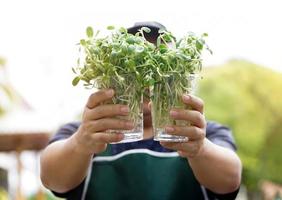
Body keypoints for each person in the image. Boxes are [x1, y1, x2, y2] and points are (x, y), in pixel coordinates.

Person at [40, 22, 242, 200]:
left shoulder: (201, 133)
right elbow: (51, 178)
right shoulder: (87, 131)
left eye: (162, 65)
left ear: (176, 76)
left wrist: (200, 149)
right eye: (137, 66)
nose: (148, 81)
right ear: (115, 75)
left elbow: (230, 180)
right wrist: (80, 143)